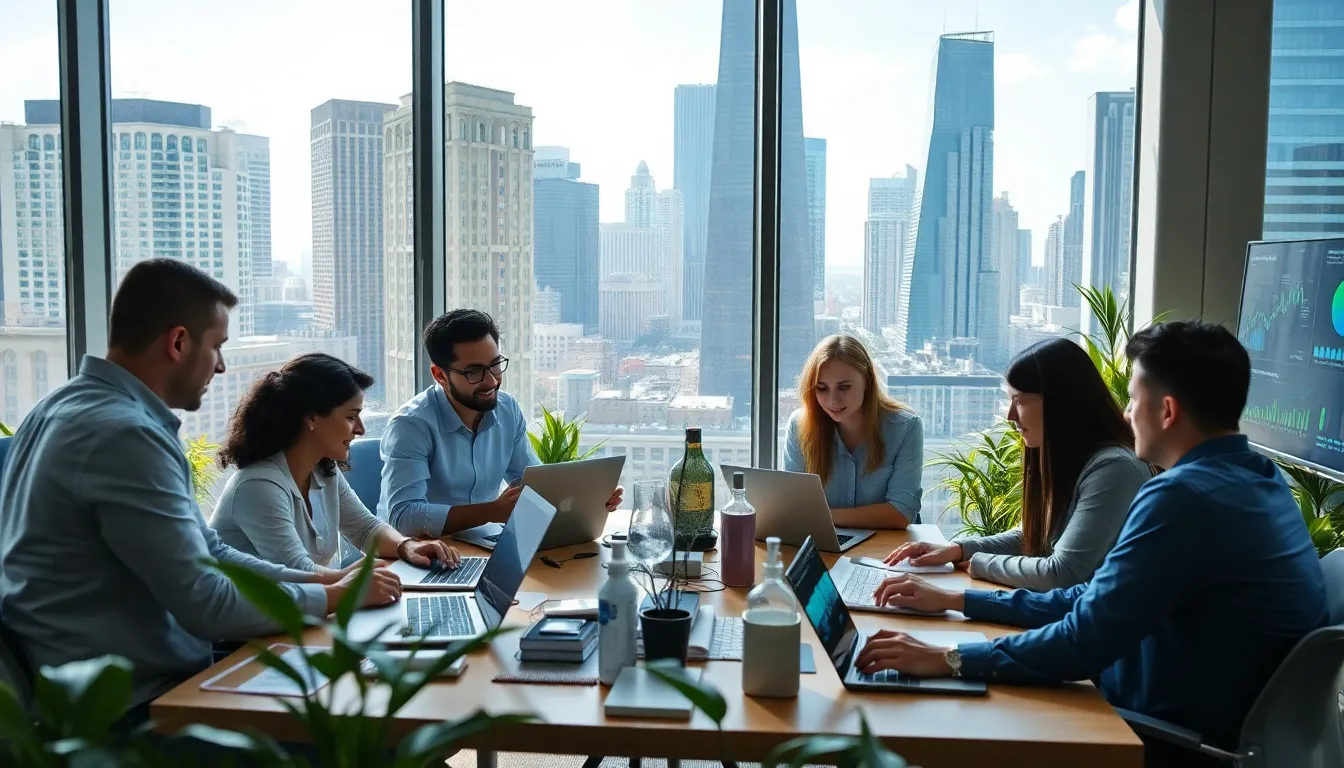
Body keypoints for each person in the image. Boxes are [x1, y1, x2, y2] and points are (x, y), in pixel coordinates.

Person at [856, 321, 1328, 767]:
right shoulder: (1259, 480)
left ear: (1166, 411)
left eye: (1133, 398)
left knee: (940, 720)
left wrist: (948, 658)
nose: (1125, 412)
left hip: (1162, 736)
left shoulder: (1183, 498)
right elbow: (1095, 598)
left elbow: (1084, 638)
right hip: (1188, 720)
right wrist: (962, 600)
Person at [0, 259, 402, 720]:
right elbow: (205, 602)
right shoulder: (124, 435)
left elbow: (209, 551)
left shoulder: (60, 406)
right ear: (178, 342)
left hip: (122, 681)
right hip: (128, 706)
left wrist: (323, 580)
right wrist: (337, 597)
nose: (222, 365)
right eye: (217, 347)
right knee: (378, 730)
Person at [884, 338, 1152, 589]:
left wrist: (976, 563)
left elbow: (1063, 572)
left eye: (1020, 401)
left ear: (1061, 404)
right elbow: (1032, 537)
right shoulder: (1070, 460)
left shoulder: (1114, 470)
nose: (1010, 415)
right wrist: (956, 550)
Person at [210, 353, 461, 574]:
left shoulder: (323, 470)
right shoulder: (258, 485)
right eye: (352, 417)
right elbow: (296, 572)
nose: (361, 429)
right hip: (248, 623)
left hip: (298, 613)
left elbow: (365, 529)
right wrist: (355, 576)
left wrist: (406, 546)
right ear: (310, 418)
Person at [381, 309, 621, 536]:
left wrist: (590, 498)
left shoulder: (507, 409)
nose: (491, 381)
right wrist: (492, 512)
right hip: (420, 555)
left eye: (495, 365)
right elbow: (404, 517)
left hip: (483, 545)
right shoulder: (410, 425)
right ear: (440, 375)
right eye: (473, 372)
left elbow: (530, 483)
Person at [782, 334, 923, 529]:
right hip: (824, 545)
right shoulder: (800, 425)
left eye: (844, 387)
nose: (833, 400)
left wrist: (824, 517)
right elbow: (792, 505)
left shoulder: (906, 427)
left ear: (867, 381)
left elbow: (900, 514)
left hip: (887, 551)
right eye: (822, 388)